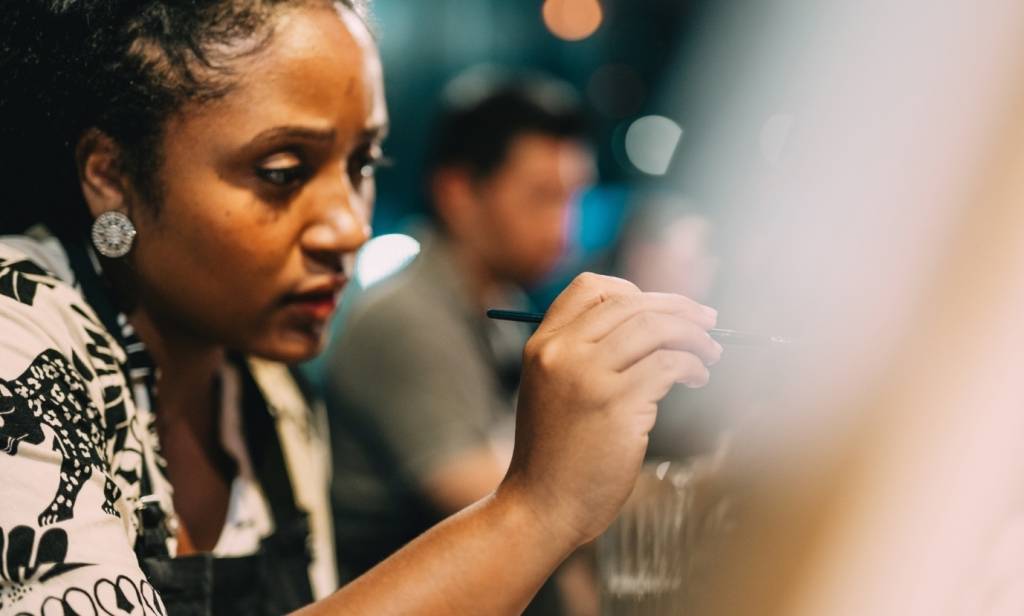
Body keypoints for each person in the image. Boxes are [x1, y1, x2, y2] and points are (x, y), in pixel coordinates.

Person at [0, 1, 722, 614]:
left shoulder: (269, 398)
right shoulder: (17, 330)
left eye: (362, 167)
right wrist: (536, 506)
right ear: (112, 177)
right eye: (283, 173)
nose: (349, 225)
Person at [317, 70, 595, 614]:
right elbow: (497, 500)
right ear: (459, 193)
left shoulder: (497, 304)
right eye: (543, 197)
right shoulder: (407, 316)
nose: (566, 229)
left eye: (573, 198)